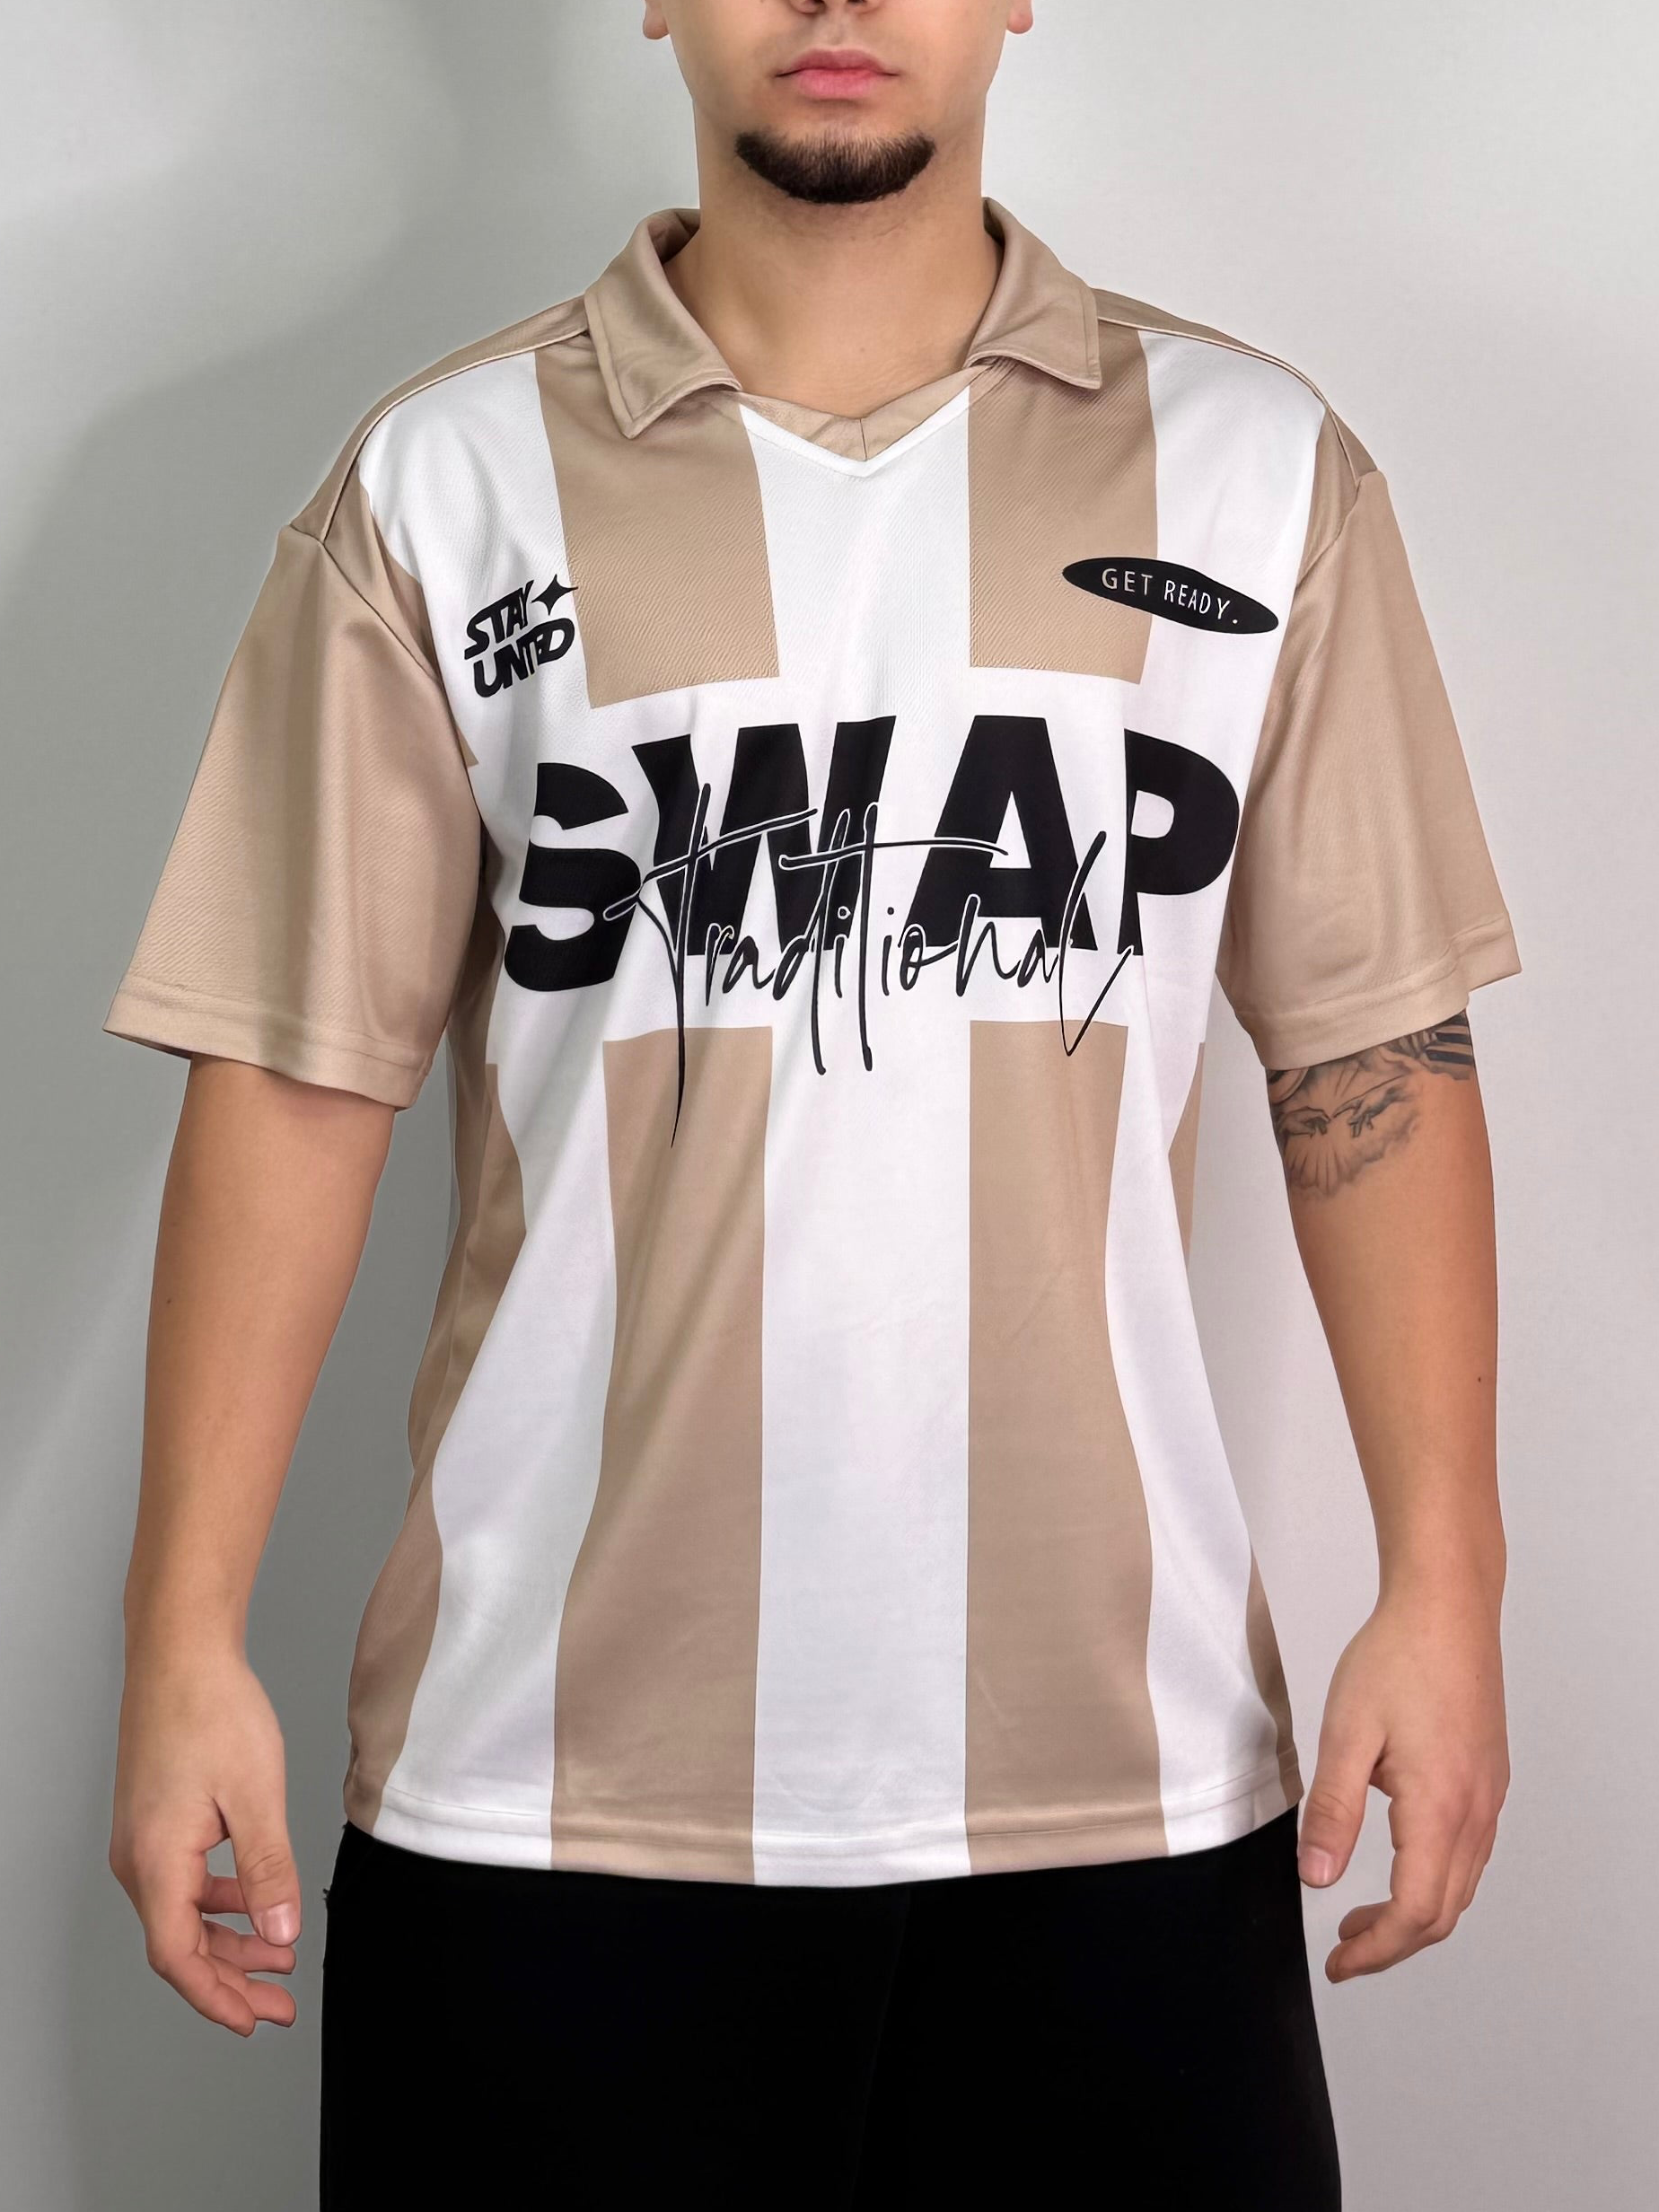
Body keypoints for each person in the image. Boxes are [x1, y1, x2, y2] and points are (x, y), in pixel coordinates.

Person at [103, 3, 1521, 2205]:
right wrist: (180, 1633)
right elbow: (296, 1073)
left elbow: (1372, 1057)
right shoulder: (444, 483)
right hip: (542, 1796)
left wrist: (1448, 1583)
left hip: (1126, 1786)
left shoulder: (1258, 468)